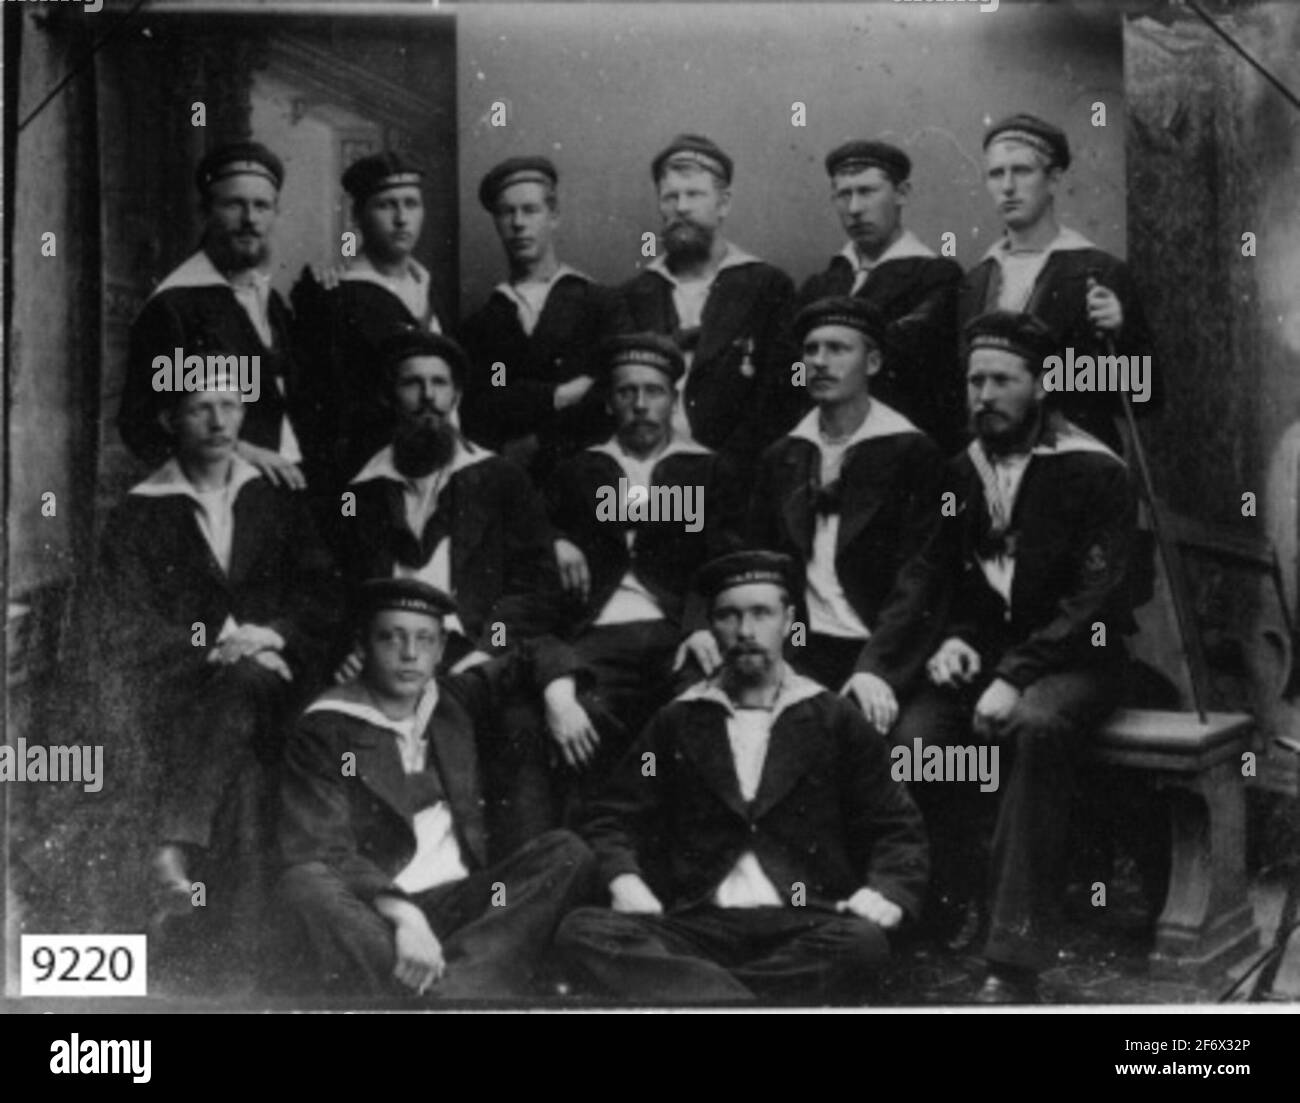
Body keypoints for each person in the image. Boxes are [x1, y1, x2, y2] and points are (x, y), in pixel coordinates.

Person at [889, 311, 1138, 1004]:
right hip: (996, 662)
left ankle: (1012, 955)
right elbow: (950, 581)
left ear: (1042, 384)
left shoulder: (1094, 469)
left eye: (1002, 380)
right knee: (913, 739)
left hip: (1080, 659)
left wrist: (1011, 673)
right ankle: (932, 905)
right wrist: (957, 640)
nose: (984, 395)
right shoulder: (957, 470)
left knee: (1033, 726)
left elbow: (1095, 601)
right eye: (975, 380)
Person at [555, 550, 928, 1004]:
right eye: (729, 616)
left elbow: (896, 827)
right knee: (582, 931)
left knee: (863, 945)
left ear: (789, 620)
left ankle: (697, 998)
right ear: (711, 626)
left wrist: (888, 889)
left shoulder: (834, 718)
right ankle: (751, 1003)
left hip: (803, 920)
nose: (746, 631)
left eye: (761, 613)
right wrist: (624, 880)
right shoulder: (679, 720)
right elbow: (613, 817)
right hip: (698, 924)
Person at [94, 368, 338, 952]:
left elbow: (324, 595)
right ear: (169, 420)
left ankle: (172, 841)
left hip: (282, 683)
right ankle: (237, 965)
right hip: (184, 693)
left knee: (249, 678)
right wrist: (212, 644)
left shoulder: (276, 497)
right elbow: (123, 623)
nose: (219, 420)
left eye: (230, 405)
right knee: (247, 788)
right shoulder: (138, 513)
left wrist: (271, 635)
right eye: (200, 407)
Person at [278, 578, 597, 1000]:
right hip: (380, 916)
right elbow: (323, 849)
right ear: (363, 645)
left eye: (424, 639)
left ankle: (450, 993)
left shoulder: (450, 700)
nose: (410, 654)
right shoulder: (324, 728)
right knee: (305, 883)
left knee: (567, 853)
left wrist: (561, 698)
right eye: (392, 637)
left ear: (442, 649)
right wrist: (405, 916)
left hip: (463, 907)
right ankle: (464, 988)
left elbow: (535, 651)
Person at [544, 333, 745, 785]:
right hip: (597, 634)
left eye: (653, 391)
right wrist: (555, 540)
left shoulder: (710, 470)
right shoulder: (579, 470)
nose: (640, 404)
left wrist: (697, 625)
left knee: (702, 714)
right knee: (580, 720)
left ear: (673, 400)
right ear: (610, 402)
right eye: (626, 391)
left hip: (678, 631)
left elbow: (725, 561)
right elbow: (528, 530)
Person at [743, 297, 946, 732]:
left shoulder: (912, 452)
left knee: (895, 748)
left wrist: (876, 668)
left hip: (883, 648)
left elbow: (921, 575)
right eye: (812, 350)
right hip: (802, 650)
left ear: (872, 362)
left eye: (838, 349)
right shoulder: (784, 455)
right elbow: (759, 565)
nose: (820, 362)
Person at [338, 328, 563, 676]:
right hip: (384, 656)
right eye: (412, 383)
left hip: (470, 654)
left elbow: (536, 587)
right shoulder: (359, 492)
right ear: (390, 396)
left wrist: (490, 648)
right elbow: (339, 588)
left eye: (440, 383)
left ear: (456, 395)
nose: (428, 396)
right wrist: (353, 648)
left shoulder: (501, 479)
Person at [959, 113, 1156, 449]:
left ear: (1053, 179)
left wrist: (1121, 337)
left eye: (1022, 171)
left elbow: (1145, 396)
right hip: (995, 465)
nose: (1007, 186)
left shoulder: (1099, 272)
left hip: (1073, 464)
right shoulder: (975, 281)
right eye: (996, 174)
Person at [121, 141, 306, 489]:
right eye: (234, 205)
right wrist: (240, 451)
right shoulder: (175, 307)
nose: (250, 219)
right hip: (221, 499)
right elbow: (143, 425)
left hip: (286, 495)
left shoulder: (272, 303)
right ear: (206, 212)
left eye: (262, 206)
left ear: (275, 214)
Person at [620, 134, 801, 482]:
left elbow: (781, 399)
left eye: (694, 195)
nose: (681, 208)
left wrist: (723, 474)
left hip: (739, 480)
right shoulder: (634, 294)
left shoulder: (767, 287)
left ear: (724, 203)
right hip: (646, 478)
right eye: (670, 197)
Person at [458, 156, 631, 483]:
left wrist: (537, 439)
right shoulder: (481, 323)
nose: (518, 223)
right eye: (507, 212)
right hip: (513, 486)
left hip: (589, 482)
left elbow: (613, 396)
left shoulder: (601, 304)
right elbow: (482, 407)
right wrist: (561, 395)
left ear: (554, 216)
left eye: (530, 210)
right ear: (496, 222)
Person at [291, 151, 450, 492]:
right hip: (368, 477)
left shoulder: (431, 289)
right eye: (385, 205)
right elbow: (316, 411)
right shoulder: (335, 295)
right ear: (357, 215)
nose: (401, 218)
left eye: (411, 204)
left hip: (439, 467)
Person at [798, 140, 964, 450]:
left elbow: (908, 364)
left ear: (901, 193)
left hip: (903, 447)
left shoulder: (936, 277)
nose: (855, 209)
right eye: (844, 194)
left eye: (867, 192)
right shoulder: (819, 285)